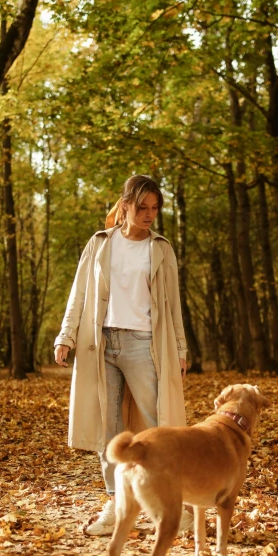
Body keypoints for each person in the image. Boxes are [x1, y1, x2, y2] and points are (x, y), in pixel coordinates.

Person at [54, 174, 193, 535]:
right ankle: (117, 504)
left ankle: (172, 504)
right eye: (142, 207)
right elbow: (79, 294)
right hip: (100, 344)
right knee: (109, 430)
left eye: (155, 209)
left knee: (158, 426)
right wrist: (65, 335)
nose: (149, 215)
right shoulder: (100, 243)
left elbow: (174, 305)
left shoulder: (160, 248)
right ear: (126, 204)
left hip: (144, 344)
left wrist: (180, 349)